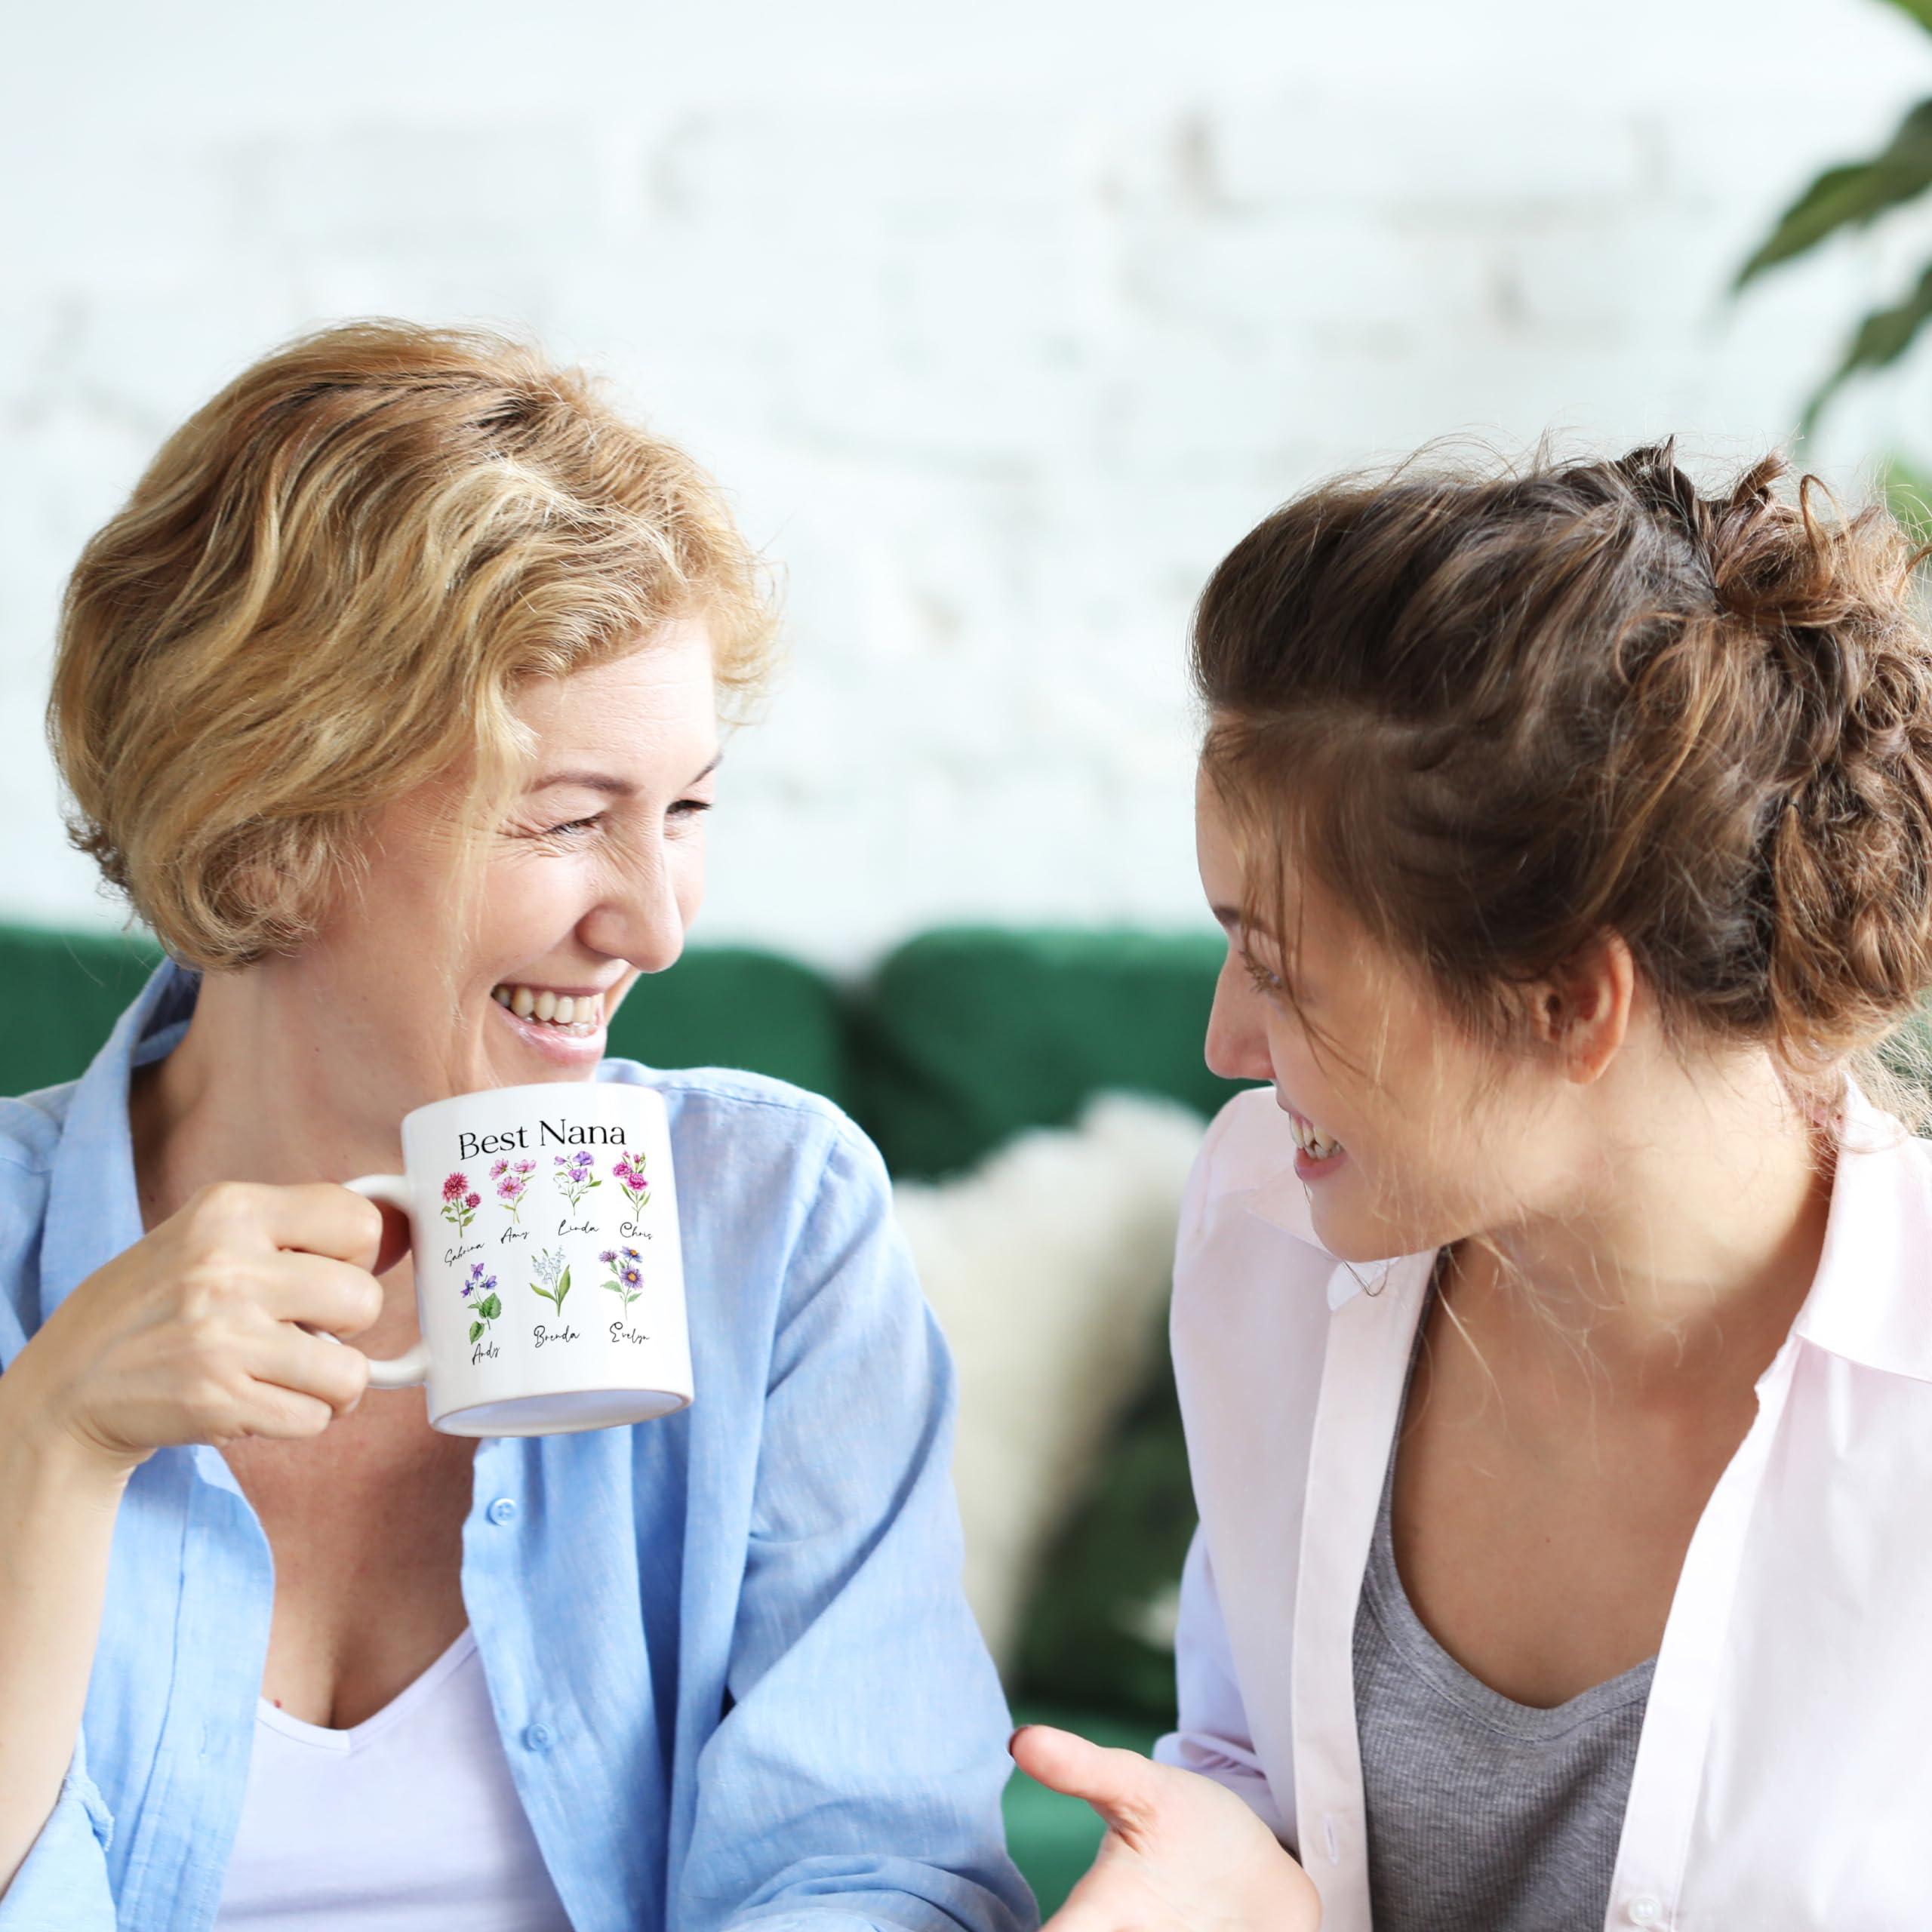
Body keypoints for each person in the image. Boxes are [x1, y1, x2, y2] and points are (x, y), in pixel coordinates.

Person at [0, 320, 1034, 1932]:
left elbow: (870, 1862)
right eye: (564, 821)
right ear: (269, 830)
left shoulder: (766, 1221)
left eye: (681, 809)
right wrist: (46, 1442)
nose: (654, 923)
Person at [1014, 443, 1932, 1930]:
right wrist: (1216, 1871)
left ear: (1570, 1000)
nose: (1223, 1043)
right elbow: (1260, 1754)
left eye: (1280, 969)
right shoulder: (1266, 1229)